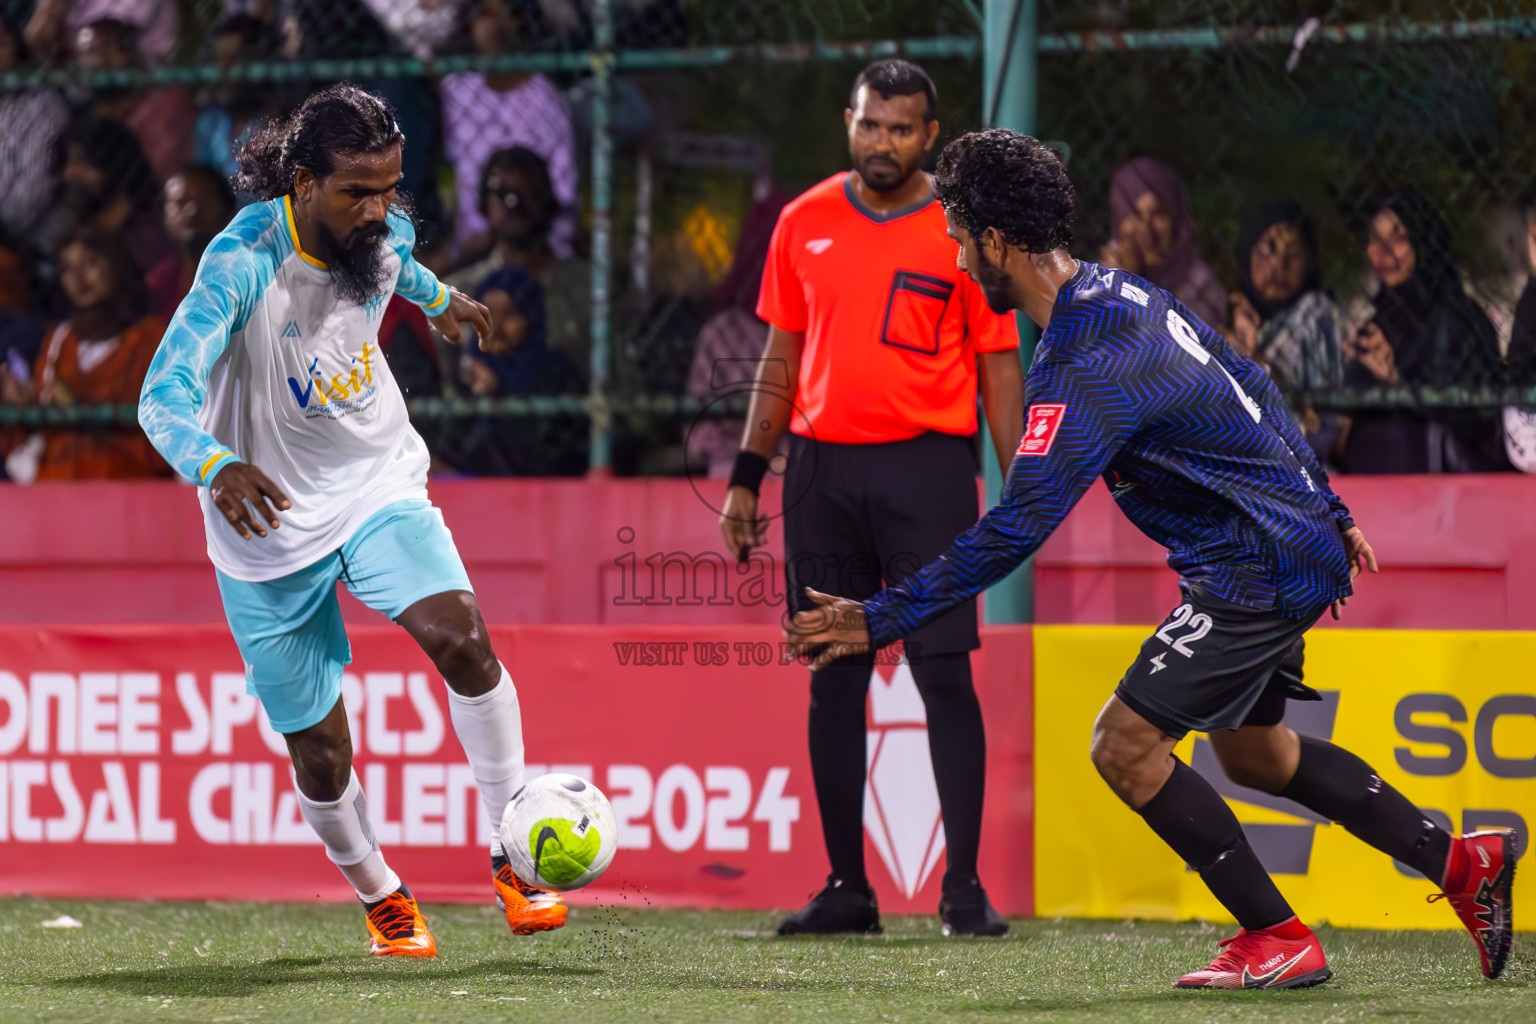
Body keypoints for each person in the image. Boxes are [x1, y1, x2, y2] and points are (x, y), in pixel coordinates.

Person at [789, 128, 1516, 989]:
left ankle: (1276, 935)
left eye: (955, 231)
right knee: (1256, 755)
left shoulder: (1081, 368)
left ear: (996, 242)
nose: (950, 251)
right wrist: (1329, 503)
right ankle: (1461, 865)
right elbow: (1252, 380)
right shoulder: (1117, 293)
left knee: (1123, 747)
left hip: (1258, 562)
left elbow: (1016, 529)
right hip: (1280, 542)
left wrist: (878, 617)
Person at [136, 84, 569, 957]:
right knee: (322, 751)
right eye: (356, 192)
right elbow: (161, 396)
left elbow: (400, 266)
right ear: (301, 182)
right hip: (266, 520)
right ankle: (382, 895)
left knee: (465, 641)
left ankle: (513, 854)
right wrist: (215, 466)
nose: (379, 210)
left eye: (391, 187)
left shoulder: (385, 231)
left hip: (373, 479)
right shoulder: (242, 261)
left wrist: (443, 301)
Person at [722, 60, 1024, 938]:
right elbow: (779, 357)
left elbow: (998, 366)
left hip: (927, 471)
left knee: (942, 673)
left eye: (900, 128)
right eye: (869, 124)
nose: (881, 141)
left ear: (931, 134)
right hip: (818, 473)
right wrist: (748, 471)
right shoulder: (802, 220)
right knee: (832, 678)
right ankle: (847, 887)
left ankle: (963, 887)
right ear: (846, 122)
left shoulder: (963, 227)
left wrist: (1019, 489)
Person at [1343, 190, 1507, 473]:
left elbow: (1476, 420)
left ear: (1424, 242)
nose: (1382, 251)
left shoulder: (1458, 319)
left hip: (1449, 485)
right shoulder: (1380, 320)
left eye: (1398, 237)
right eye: (1375, 238)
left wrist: (1398, 381)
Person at [2, 226, 168, 481]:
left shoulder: (153, 338)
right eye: (68, 269)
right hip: (55, 492)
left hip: (127, 492)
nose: (79, 278)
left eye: (91, 262)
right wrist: (22, 406)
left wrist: (79, 409)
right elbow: (37, 436)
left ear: (116, 264)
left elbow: (165, 441)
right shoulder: (58, 342)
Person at [440, 0, 577, 256]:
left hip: (531, 244)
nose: (491, 25)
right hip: (472, 246)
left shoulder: (546, 101)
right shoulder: (458, 93)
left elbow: (564, 192)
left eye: (501, 14)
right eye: (483, 14)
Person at [444, 146, 589, 372]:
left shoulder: (584, 287)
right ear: (485, 201)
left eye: (525, 192)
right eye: (501, 192)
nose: (513, 202)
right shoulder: (459, 291)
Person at [1228, 200, 1346, 463]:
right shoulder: (1232, 312)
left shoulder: (1316, 315)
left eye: (1293, 253)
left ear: (1309, 261)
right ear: (1248, 252)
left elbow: (1322, 427)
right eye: (1268, 250)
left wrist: (1255, 360)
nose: (1279, 266)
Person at [1102, 157, 1227, 330]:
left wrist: (1130, 284)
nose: (1146, 231)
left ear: (1175, 216)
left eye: (1158, 215)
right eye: (1134, 215)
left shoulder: (1202, 288)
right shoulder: (1096, 279)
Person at [59, 115, 174, 276]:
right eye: (68, 163)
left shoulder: (155, 211)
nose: (69, 172)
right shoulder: (86, 219)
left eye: (80, 161)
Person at [147, 164, 238, 321]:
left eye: (201, 200)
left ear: (224, 203)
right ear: (165, 216)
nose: (191, 210)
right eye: (179, 204)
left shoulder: (253, 256)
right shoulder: (162, 282)